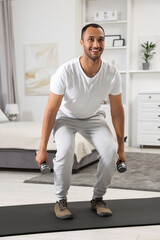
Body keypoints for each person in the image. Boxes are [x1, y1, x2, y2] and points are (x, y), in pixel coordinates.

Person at [36, 23, 126, 219]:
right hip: (65, 118)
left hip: (93, 118)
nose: (96, 44)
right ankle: (60, 201)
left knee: (109, 151)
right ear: (82, 43)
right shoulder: (65, 71)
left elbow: (118, 111)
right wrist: (42, 148)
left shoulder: (112, 73)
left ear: (104, 42)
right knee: (67, 148)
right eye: (91, 39)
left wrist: (121, 148)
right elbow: (51, 110)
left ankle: (98, 198)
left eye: (100, 39)